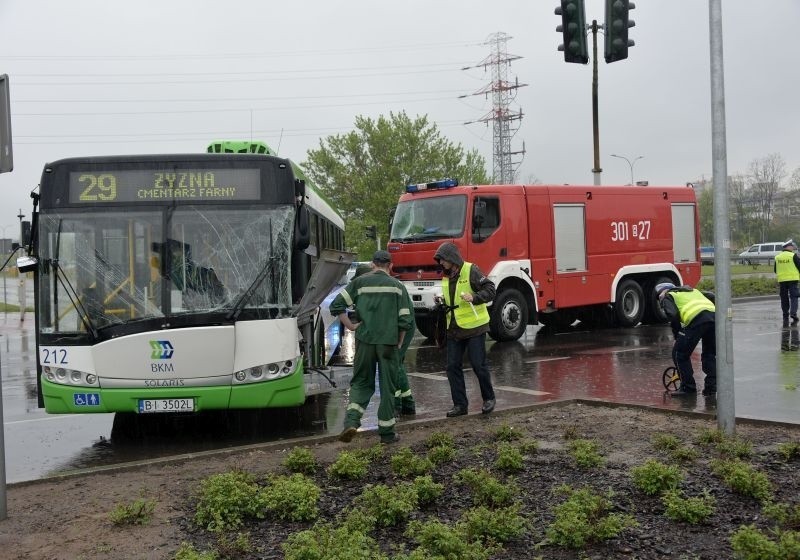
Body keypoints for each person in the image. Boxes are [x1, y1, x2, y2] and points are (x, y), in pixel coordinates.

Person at [329, 250, 414, 444]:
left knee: (361, 382)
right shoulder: (397, 286)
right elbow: (405, 320)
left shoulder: (359, 283)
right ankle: (387, 433)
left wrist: (350, 326)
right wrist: (400, 340)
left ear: (373, 264)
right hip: (388, 343)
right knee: (387, 386)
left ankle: (351, 421)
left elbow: (336, 305)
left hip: (365, 342)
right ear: (390, 266)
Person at [433, 241, 497, 417]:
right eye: (439, 260)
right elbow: (452, 300)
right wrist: (440, 301)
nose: (441, 263)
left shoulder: (471, 270)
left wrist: (475, 297)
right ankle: (460, 405)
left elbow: (491, 289)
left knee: (478, 365)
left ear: (452, 258)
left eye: (443, 259)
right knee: (452, 367)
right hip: (454, 329)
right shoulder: (446, 276)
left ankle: (489, 398)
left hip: (475, 327)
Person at [655, 282, 716, 397]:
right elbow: (712, 295)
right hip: (713, 318)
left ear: (663, 291)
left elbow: (672, 315)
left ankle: (688, 388)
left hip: (696, 320)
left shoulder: (668, 296)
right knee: (709, 354)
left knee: (679, 353)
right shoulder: (692, 291)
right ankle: (711, 388)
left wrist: (677, 335)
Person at [774, 239, 800, 327]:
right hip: (793, 280)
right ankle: (793, 313)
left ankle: (785, 314)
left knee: (784, 298)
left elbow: (775, 270)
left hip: (782, 281)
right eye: (792, 246)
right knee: (794, 297)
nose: (793, 247)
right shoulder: (793, 255)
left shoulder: (778, 257)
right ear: (788, 247)